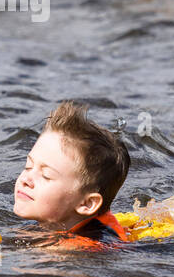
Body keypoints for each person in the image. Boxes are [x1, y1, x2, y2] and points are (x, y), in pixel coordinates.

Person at [13, 100, 131, 246]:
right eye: (28, 166)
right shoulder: (61, 219)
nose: (25, 179)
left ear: (87, 203)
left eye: (46, 176)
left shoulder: (76, 250)